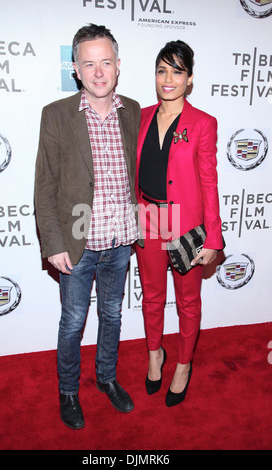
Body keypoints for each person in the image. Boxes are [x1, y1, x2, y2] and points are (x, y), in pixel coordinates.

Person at [34, 24, 141, 429]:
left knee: (112, 315)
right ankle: (67, 390)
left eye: (106, 63)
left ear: (118, 66)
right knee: (74, 320)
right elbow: (45, 185)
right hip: (77, 245)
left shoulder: (132, 110)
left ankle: (107, 379)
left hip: (120, 241)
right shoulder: (56, 115)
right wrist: (52, 242)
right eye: (89, 64)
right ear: (76, 69)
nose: (99, 72)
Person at [135, 40, 224, 407]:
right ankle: (155, 354)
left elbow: (209, 181)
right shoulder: (139, 117)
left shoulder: (203, 123)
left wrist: (213, 239)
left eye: (177, 71)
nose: (168, 78)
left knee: (188, 302)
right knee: (152, 298)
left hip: (185, 225)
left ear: (189, 79)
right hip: (146, 218)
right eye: (162, 70)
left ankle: (184, 365)